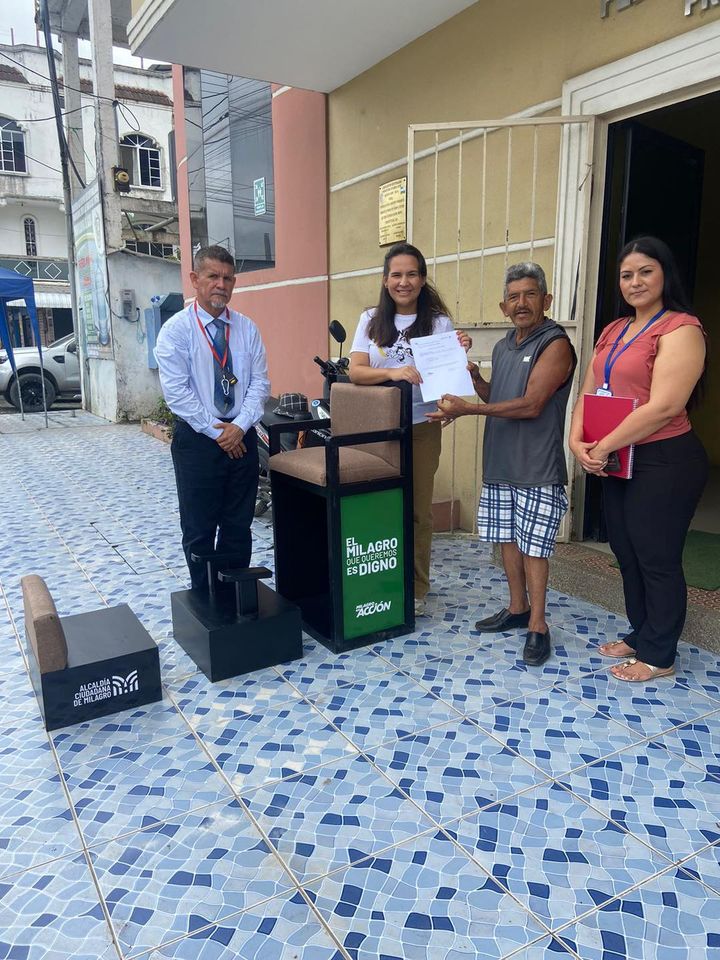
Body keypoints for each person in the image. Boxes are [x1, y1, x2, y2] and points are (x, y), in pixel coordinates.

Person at [569, 237, 707, 683]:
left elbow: (665, 406)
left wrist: (603, 445)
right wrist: (576, 439)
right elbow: (589, 390)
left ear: (665, 274)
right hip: (617, 456)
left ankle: (660, 654)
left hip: (664, 458)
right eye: (627, 275)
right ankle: (642, 632)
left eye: (646, 271)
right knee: (626, 552)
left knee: (656, 557)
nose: (635, 282)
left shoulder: (681, 329)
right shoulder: (613, 329)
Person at [428, 262, 576, 666]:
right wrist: (475, 379)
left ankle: (538, 625)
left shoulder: (555, 344)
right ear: (503, 306)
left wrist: (468, 409)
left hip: (537, 466)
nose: (521, 303)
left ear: (546, 299)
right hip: (500, 462)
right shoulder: (503, 345)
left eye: (530, 294)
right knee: (507, 540)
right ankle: (517, 607)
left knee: (534, 548)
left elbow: (531, 405)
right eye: (513, 297)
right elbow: (500, 396)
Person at [348, 242, 471, 616]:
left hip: (421, 427)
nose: (404, 282)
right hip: (377, 430)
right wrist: (394, 372)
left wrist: (459, 354)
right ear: (385, 280)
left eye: (412, 274)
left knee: (418, 510)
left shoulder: (438, 323)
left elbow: (448, 375)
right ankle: (381, 578)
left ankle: (416, 587)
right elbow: (356, 372)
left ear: (422, 278)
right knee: (379, 504)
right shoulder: (371, 319)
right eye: (397, 275)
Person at [155, 245, 270, 593]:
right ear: (195, 279)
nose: (221, 284)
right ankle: (205, 598)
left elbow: (260, 384)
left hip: (242, 436)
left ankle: (235, 596)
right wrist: (217, 431)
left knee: (238, 525)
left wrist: (239, 427)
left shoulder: (247, 329)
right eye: (213, 276)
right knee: (199, 528)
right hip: (198, 441)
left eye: (228, 278)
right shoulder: (176, 331)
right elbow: (177, 392)